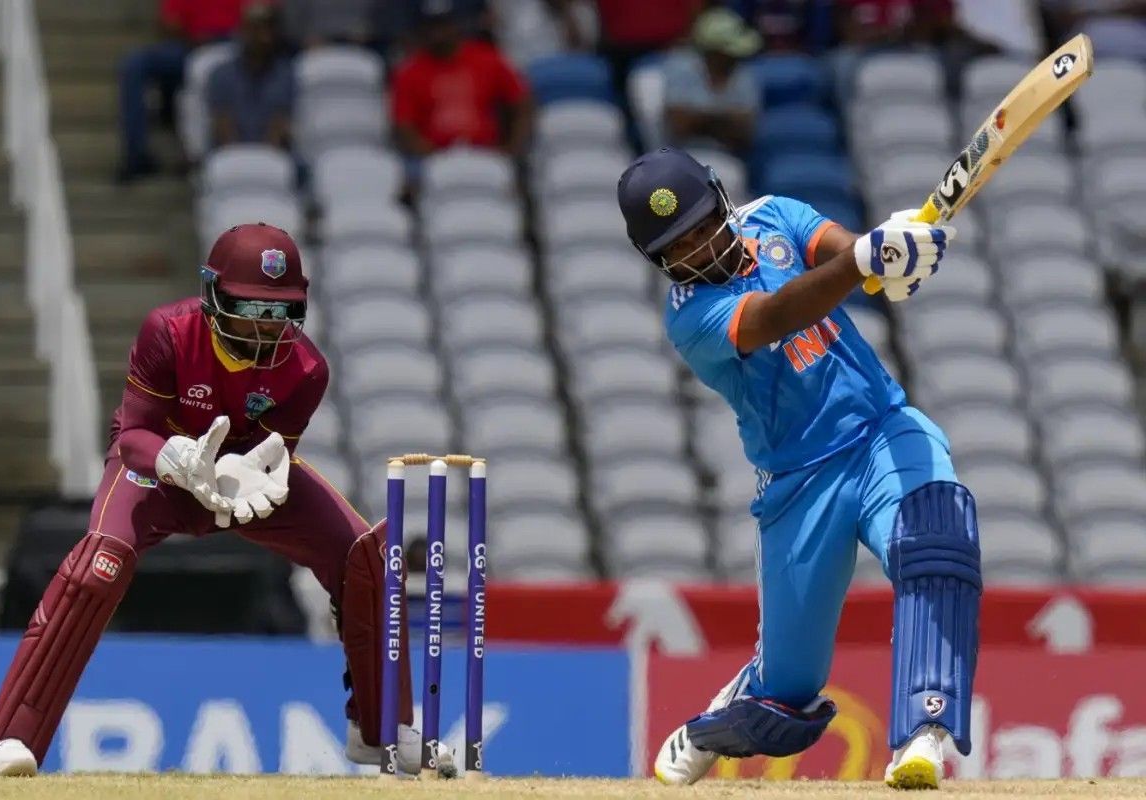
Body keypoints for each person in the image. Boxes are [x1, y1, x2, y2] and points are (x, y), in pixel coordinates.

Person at [0, 223, 453, 779]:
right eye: (249, 308)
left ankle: (382, 732)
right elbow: (133, 434)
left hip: (241, 482)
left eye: (278, 313)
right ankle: (15, 736)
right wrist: (177, 460)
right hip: (158, 473)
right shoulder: (169, 331)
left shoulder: (307, 369)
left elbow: (277, 452)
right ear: (212, 297)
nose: (262, 328)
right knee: (99, 566)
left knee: (363, 553)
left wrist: (252, 471)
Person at [616, 148, 977, 790]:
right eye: (681, 244)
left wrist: (893, 256)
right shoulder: (690, 318)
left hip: (881, 432)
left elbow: (848, 252)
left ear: (722, 199)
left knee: (936, 543)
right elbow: (781, 314)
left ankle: (923, 735)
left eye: (704, 224)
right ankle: (717, 722)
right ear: (659, 259)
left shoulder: (775, 216)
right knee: (787, 704)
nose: (701, 248)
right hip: (798, 484)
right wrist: (863, 263)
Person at [390, 0, 533, 164]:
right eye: (431, 27)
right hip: (431, 158)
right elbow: (403, 126)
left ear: (456, 25)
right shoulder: (409, 72)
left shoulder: (487, 58)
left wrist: (510, 150)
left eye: (443, 26)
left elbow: (522, 104)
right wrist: (434, 157)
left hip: (487, 153)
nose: (438, 34)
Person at [117, 0, 244, 182]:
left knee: (203, 71)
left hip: (237, 48)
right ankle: (136, 157)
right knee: (134, 65)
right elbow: (170, 22)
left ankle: (199, 156)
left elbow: (263, 18)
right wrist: (192, 38)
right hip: (190, 45)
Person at [661, 8, 762, 154]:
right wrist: (726, 119)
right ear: (713, 51)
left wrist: (699, 118)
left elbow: (745, 131)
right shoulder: (681, 67)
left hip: (730, 155)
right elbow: (680, 126)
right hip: (681, 154)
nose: (734, 57)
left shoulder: (743, 74)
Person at [206, 2, 296, 151]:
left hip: (272, 155)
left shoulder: (286, 74)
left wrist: (262, 163)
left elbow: (279, 125)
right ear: (242, 31)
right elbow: (223, 127)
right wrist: (240, 163)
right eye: (256, 29)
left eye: (268, 29)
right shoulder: (220, 75)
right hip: (229, 154)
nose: (263, 38)